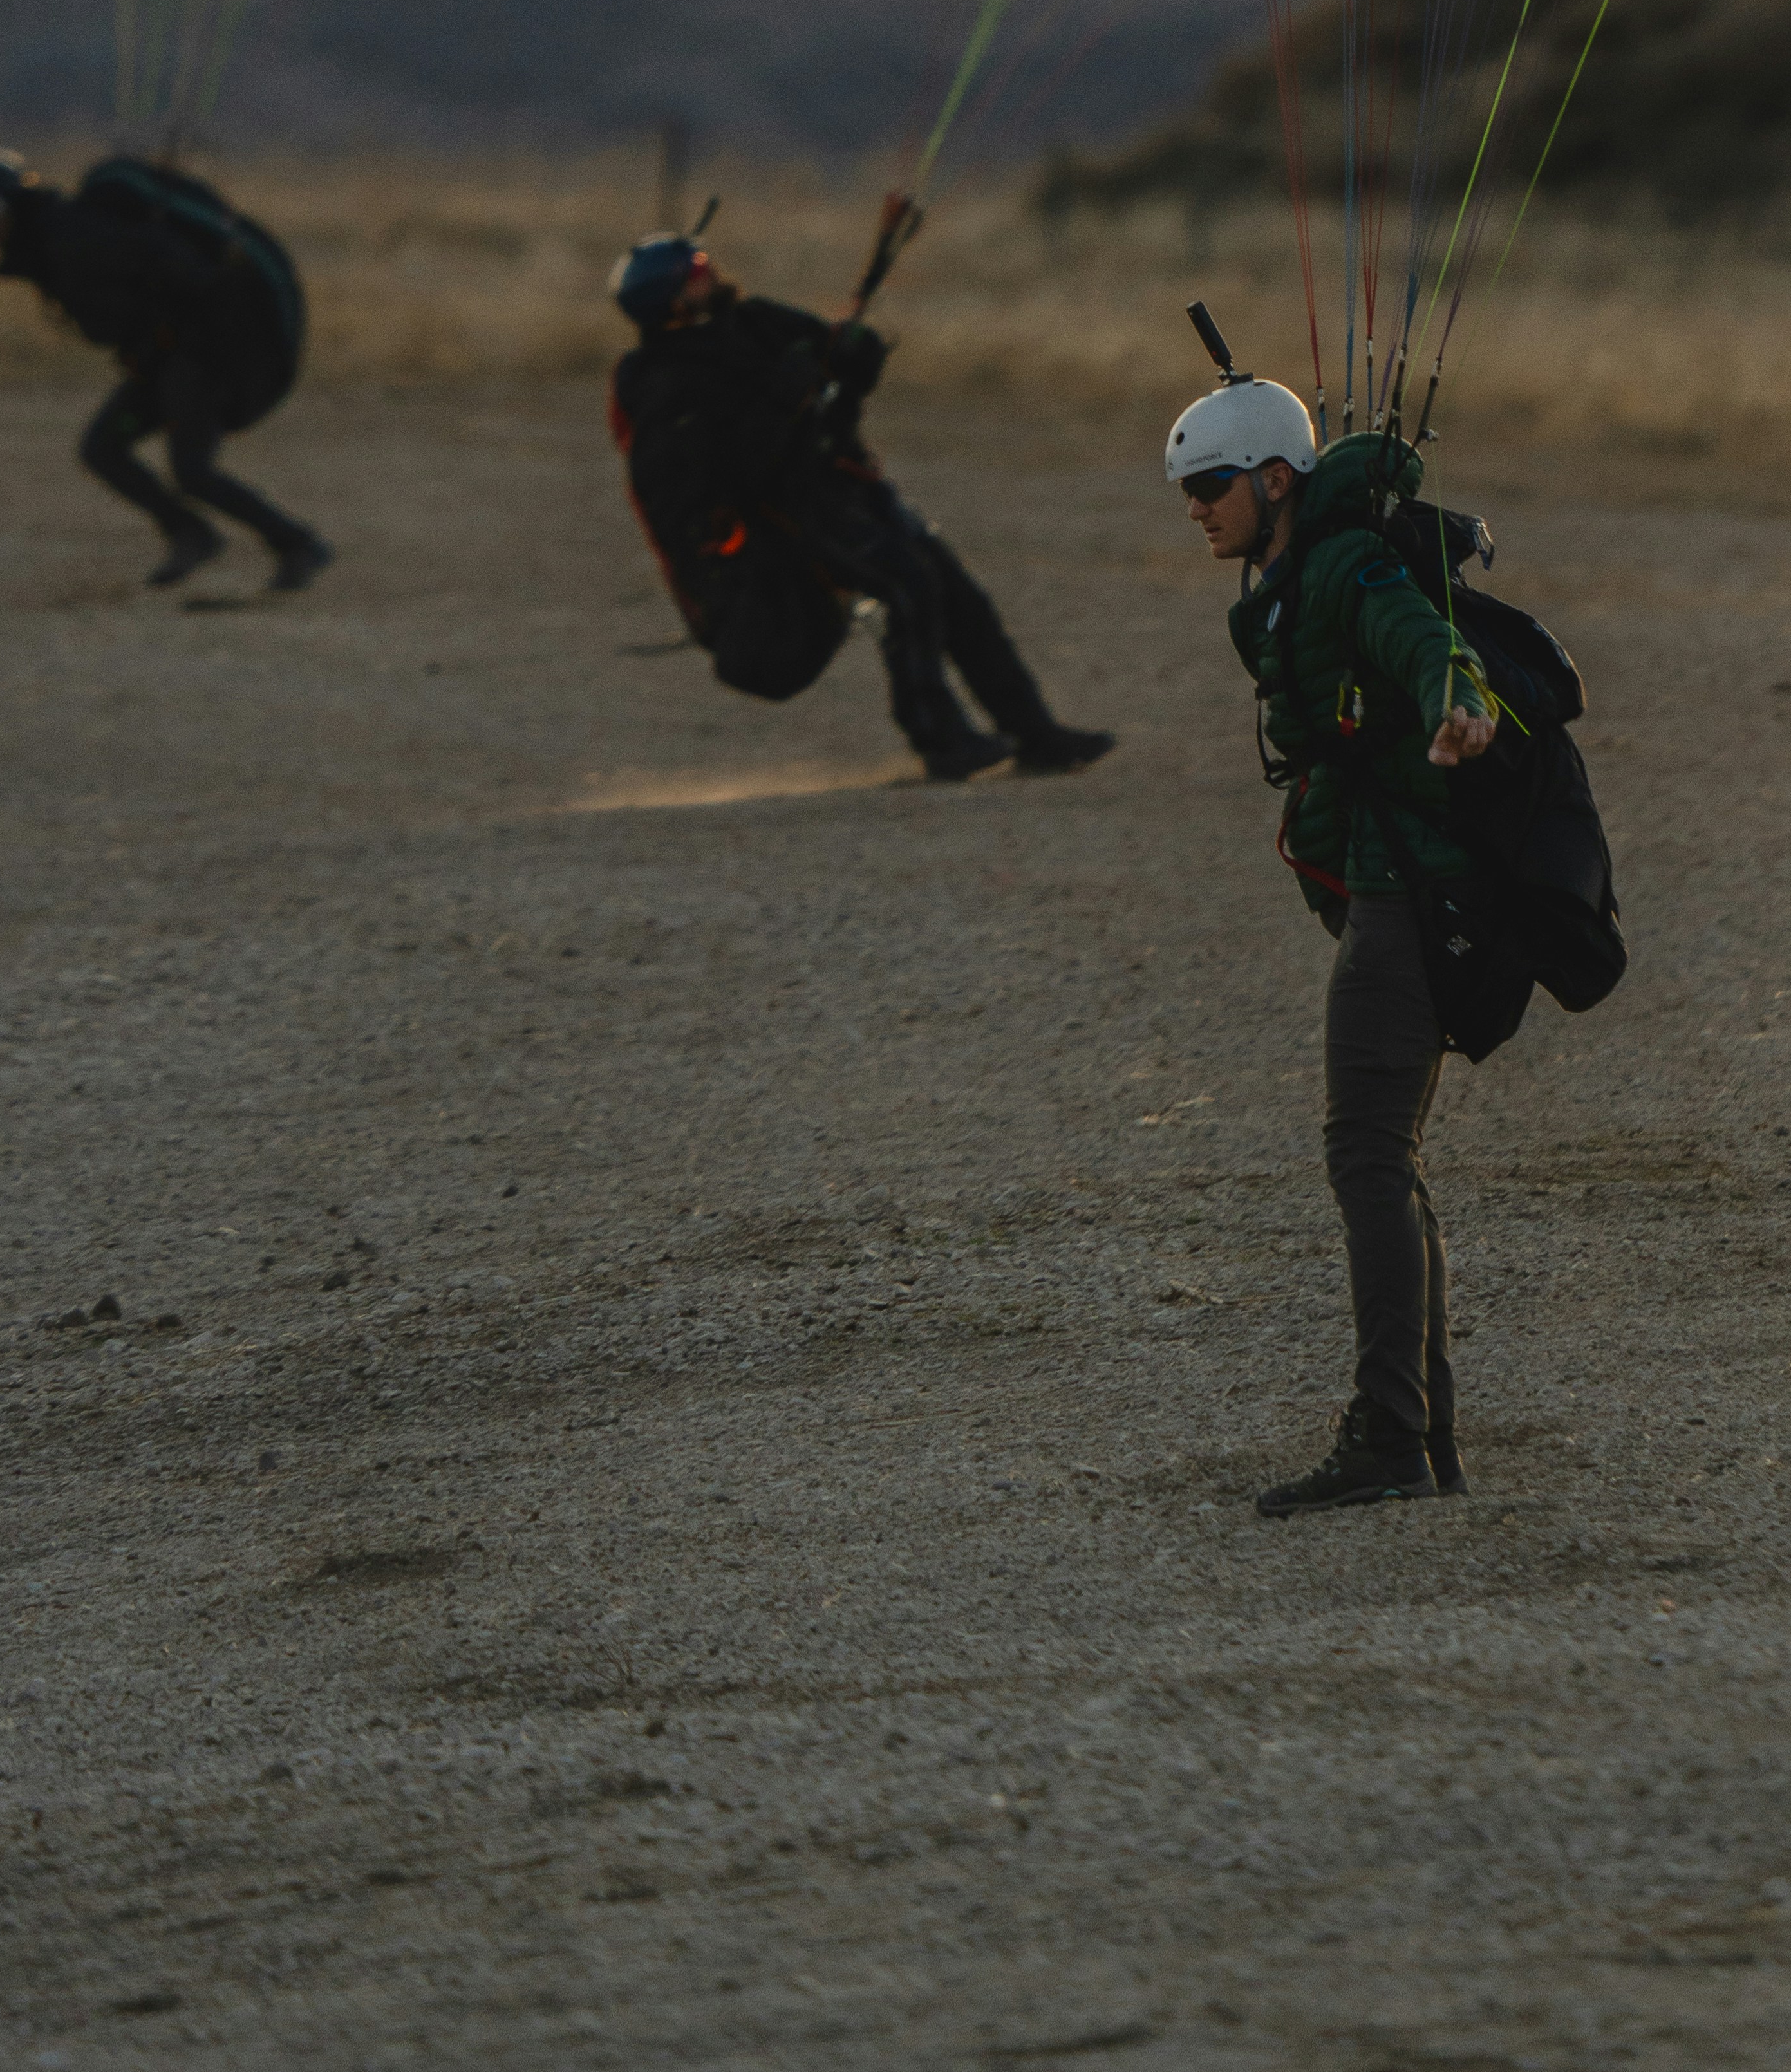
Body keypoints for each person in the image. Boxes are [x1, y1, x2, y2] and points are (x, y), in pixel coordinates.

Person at [1167, 355, 1496, 1517]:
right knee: (1385, 1156)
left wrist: (1460, 696)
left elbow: (1420, 635)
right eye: (1188, 489)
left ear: (1272, 475)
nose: (1198, 506)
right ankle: (1423, 1428)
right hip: (1380, 883)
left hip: (1410, 891)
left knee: (1365, 1150)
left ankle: (1391, 1434)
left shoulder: (1347, 563)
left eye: (1211, 482)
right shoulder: (1289, 576)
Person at [608, 232, 1109, 783]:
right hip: (791, 514)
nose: (710, 273)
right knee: (907, 587)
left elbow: (829, 363)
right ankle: (941, 740)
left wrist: (856, 358)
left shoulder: (756, 321)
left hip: (847, 485)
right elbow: (729, 473)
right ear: (673, 302)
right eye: (694, 271)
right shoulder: (667, 385)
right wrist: (786, 394)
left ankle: (1037, 736)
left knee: (960, 598)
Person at [0, 150, 329, 591]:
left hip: (198, 357)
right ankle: (191, 533)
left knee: (192, 471)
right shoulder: (50, 245)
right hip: (166, 362)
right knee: (104, 449)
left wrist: (179, 337)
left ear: (8, 207)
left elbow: (177, 271)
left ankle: (296, 544)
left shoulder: (74, 235)